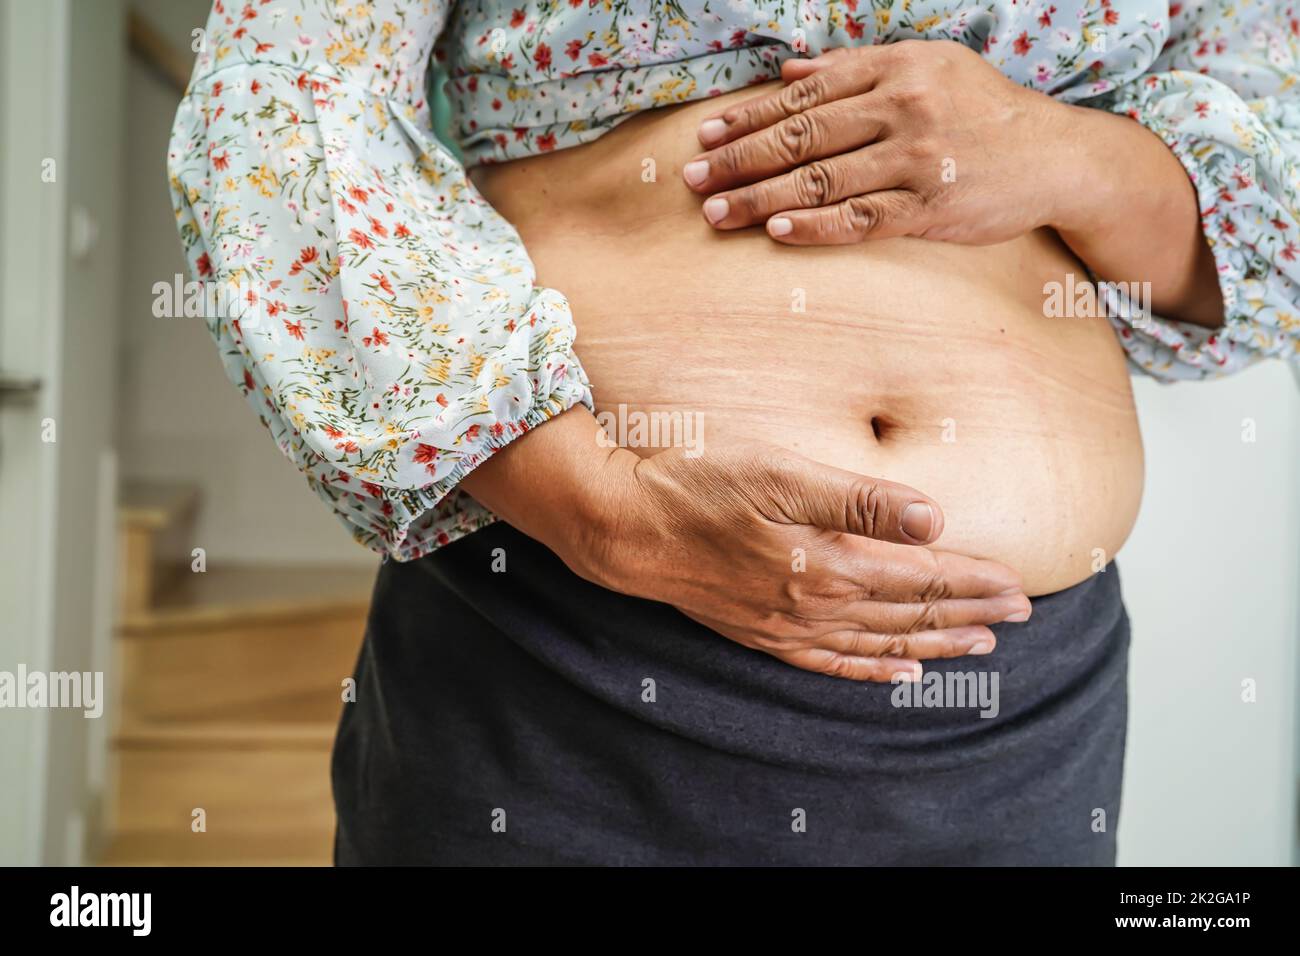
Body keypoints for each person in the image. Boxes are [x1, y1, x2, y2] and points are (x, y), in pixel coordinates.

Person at [168, 0, 1299, 864]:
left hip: (1005, 719)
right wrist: (601, 507)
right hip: (561, 653)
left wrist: (1066, 153)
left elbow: (1271, 193)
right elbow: (286, 91)